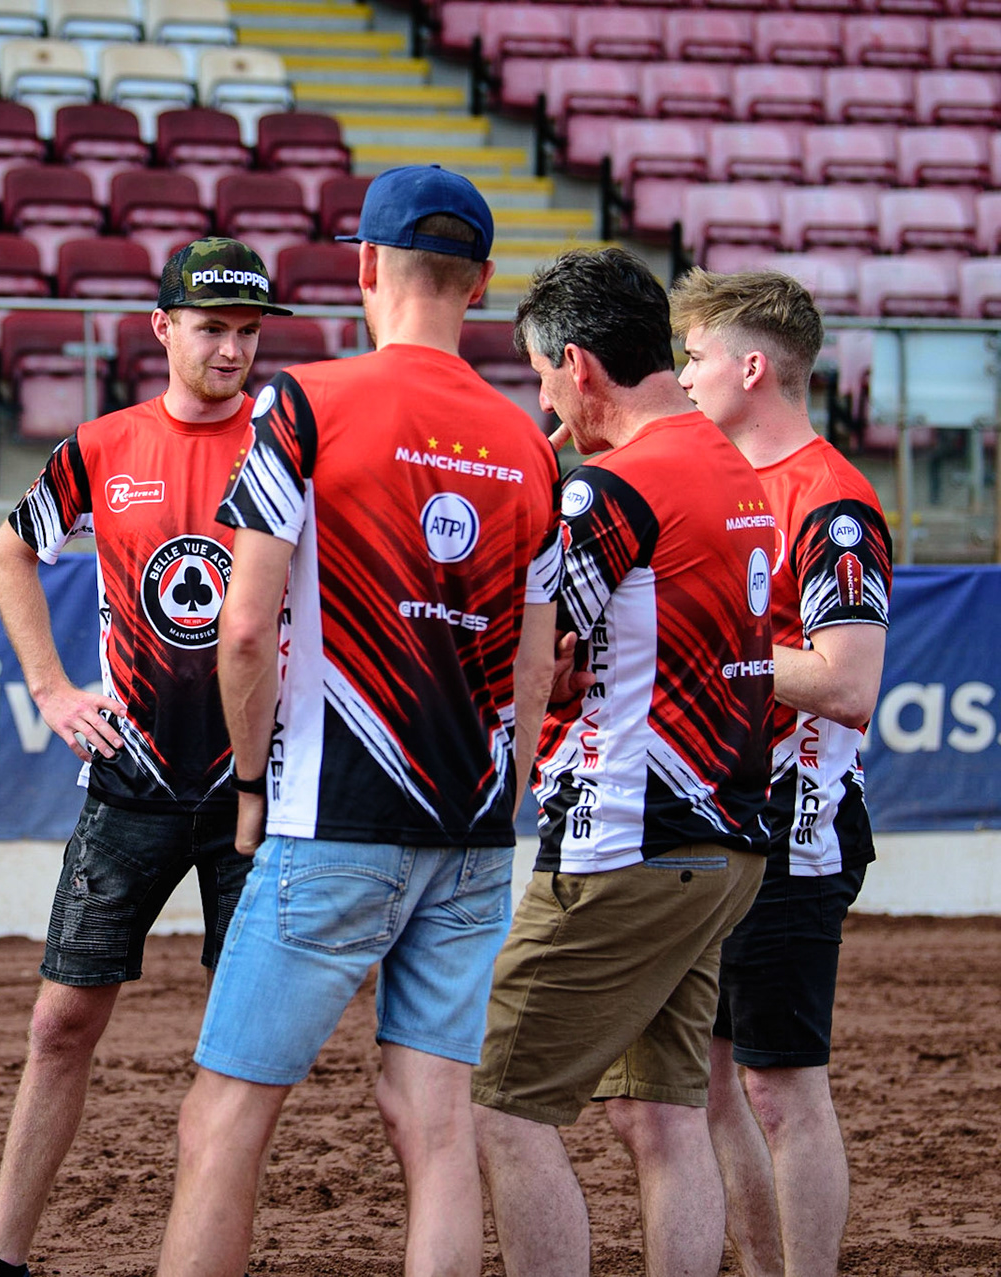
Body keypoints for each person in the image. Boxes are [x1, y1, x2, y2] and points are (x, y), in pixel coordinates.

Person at [155, 166, 562, 1277]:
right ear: (479, 284)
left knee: (222, 1119)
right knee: (433, 1122)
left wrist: (247, 785)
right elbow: (540, 658)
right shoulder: (529, 442)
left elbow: (242, 631)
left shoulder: (304, 402)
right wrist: (504, 790)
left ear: (367, 267)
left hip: (329, 817)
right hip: (472, 826)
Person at [0, 238, 290, 1277]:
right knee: (59, 1018)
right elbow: (11, 550)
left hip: (254, 792)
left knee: (244, 1046)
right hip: (130, 780)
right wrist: (47, 687)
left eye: (246, 330)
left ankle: (210, 1247)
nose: (229, 348)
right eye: (211, 327)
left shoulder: (287, 446)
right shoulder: (102, 445)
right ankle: (0, 1254)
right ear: (161, 329)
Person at [472, 247, 777, 1277]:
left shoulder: (610, 490)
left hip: (625, 843)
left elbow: (543, 665)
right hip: (722, 843)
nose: (545, 396)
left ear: (578, 365)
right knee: (662, 1114)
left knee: (496, 1099)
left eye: (542, 375)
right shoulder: (732, 465)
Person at [671, 268, 891, 1277]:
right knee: (712, 1082)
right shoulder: (713, 476)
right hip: (717, 820)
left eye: (698, 355)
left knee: (781, 1085)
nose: (681, 374)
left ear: (753, 366)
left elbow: (849, 683)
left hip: (796, 831)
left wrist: (715, 646)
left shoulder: (832, 501)